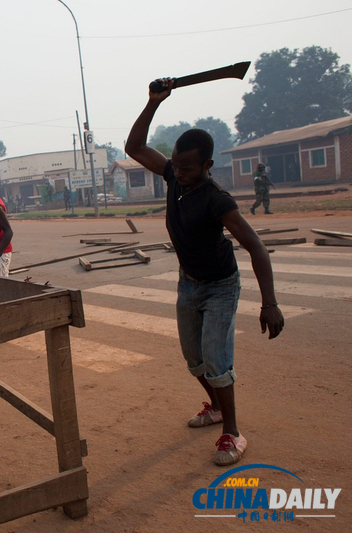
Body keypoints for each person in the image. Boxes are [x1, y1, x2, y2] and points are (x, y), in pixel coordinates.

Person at [125, 77, 285, 467]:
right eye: (176, 165)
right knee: (193, 359)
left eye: (187, 168)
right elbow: (134, 148)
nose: (179, 173)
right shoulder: (173, 176)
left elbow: (256, 246)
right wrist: (153, 102)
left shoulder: (217, 200)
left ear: (207, 165)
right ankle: (214, 407)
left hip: (220, 287)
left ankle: (232, 432)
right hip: (189, 283)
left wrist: (270, 304)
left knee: (215, 360)